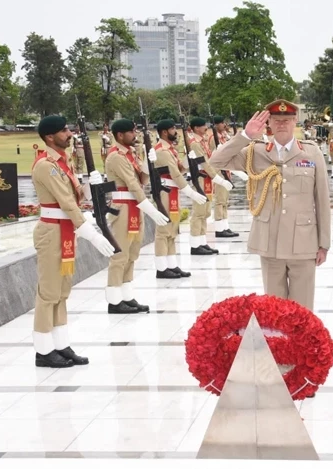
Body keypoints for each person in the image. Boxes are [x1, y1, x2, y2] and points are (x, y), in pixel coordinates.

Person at [208, 100, 331, 311]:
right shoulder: (256, 151)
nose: (282, 124)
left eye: (287, 120)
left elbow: (322, 199)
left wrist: (324, 243)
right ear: (269, 124)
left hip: (303, 243)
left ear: (295, 122)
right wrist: (245, 136)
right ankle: (277, 345)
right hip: (269, 241)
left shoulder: (311, 153)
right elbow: (216, 161)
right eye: (277, 120)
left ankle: (300, 346)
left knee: (302, 310)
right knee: (274, 311)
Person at [31, 115, 115, 367]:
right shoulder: (47, 165)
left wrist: (92, 186)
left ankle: (61, 344)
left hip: (65, 230)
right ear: (49, 137)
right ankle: (44, 351)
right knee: (48, 293)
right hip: (52, 231)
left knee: (62, 291)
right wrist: (90, 233)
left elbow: (74, 196)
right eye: (64, 131)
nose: (69, 134)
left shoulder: (62, 163)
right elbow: (66, 203)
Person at [104, 119, 169, 313]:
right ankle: (115, 301)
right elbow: (132, 184)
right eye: (131, 133)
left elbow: (142, 179)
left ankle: (126, 295)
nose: (135, 135)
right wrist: (151, 209)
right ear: (120, 135)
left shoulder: (130, 154)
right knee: (120, 255)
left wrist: (150, 164)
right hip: (123, 206)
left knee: (132, 254)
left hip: (135, 206)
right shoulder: (116, 156)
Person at [153, 119, 208, 278]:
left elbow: (180, 169)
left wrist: (188, 160)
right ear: (164, 132)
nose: (175, 132)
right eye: (172, 129)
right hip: (165, 191)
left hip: (172, 190)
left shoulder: (170, 149)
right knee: (163, 231)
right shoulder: (162, 151)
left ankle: (171, 265)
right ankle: (161, 268)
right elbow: (175, 174)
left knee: (172, 230)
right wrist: (191, 193)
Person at [187, 117, 233, 254]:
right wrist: (219, 179)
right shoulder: (195, 143)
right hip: (200, 177)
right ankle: (195, 245)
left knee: (205, 212)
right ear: (195, 128)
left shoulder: (202, 141)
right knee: (199, 213)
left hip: (206, 177)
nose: (205, 128)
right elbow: (205, 163)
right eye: (202, 126)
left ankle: (202, 242)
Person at [209, 116, 248, 238]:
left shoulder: (222, 137)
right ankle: (219, 228)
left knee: (225, 201)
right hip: (219, 171)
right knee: (220, 201)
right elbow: (214, 155)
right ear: (216, 125)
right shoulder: (212, 138)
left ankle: (225, 226)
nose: (224, 125)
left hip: (226, 170)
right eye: (221, 123)